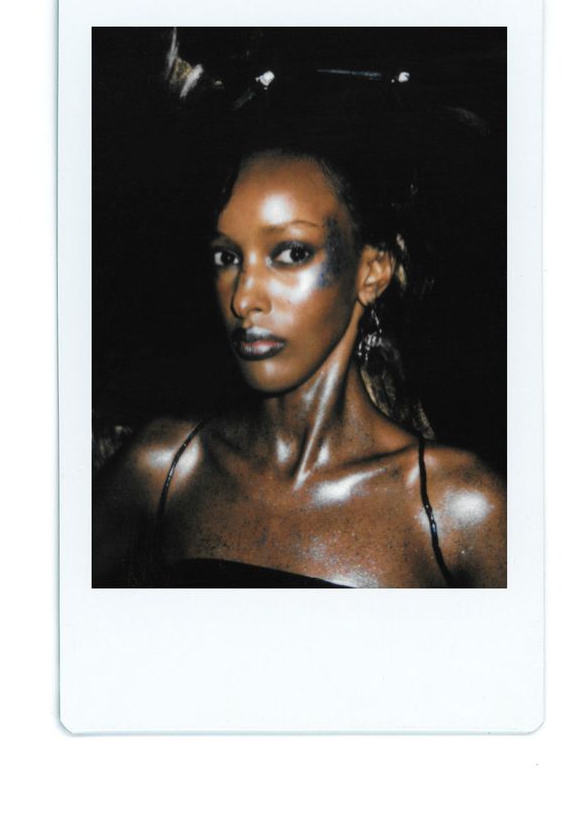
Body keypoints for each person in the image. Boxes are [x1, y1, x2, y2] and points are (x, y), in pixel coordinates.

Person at [92, 107, 506, 588]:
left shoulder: (459, 508)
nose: (243, 298)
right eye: (227, 256)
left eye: (291, 253)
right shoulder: (165, 467)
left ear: (372, 271)